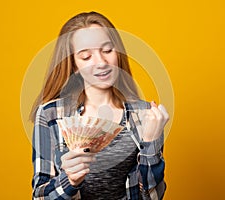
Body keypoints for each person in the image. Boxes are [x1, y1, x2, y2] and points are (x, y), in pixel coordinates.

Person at [30, 11, 169, 200]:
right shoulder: (50, 115)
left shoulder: (145, 115)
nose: (101, 63)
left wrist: (151, 144)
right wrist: (69, 181)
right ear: (74, 66)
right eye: (86, 57)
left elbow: (151, 196)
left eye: (107, 50)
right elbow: (39, 196)